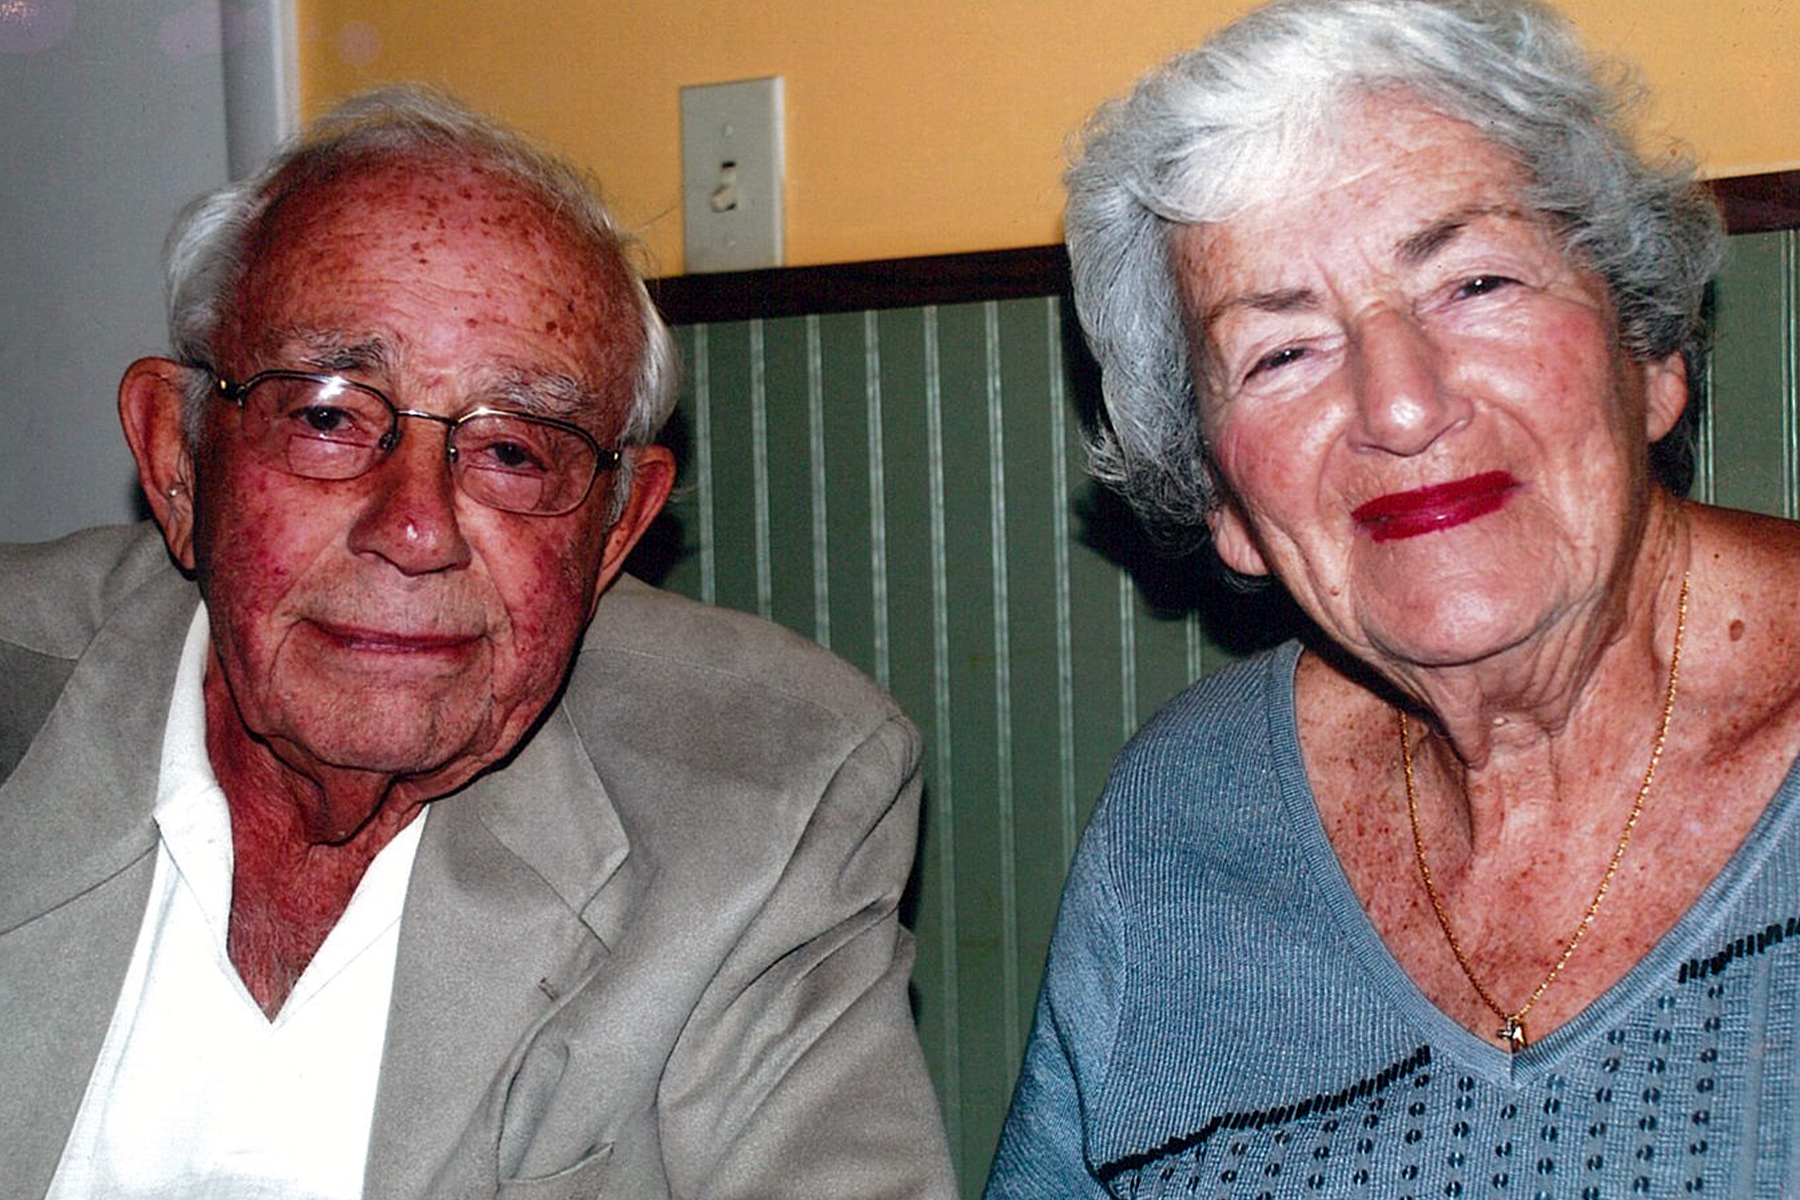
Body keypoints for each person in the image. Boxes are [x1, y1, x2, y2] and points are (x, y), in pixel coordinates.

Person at [0, 87, 955, 1199]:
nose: (415, 529)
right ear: (178, 457)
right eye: (328, 416)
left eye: (514, 450)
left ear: (614, 533)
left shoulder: (769, 796)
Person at [986, 0, 1800, 1195]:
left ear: (1650, 354)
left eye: (1474, 282)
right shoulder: (1182, 821)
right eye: (1282, 352)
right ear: (1223, 500)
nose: (1403, 406)